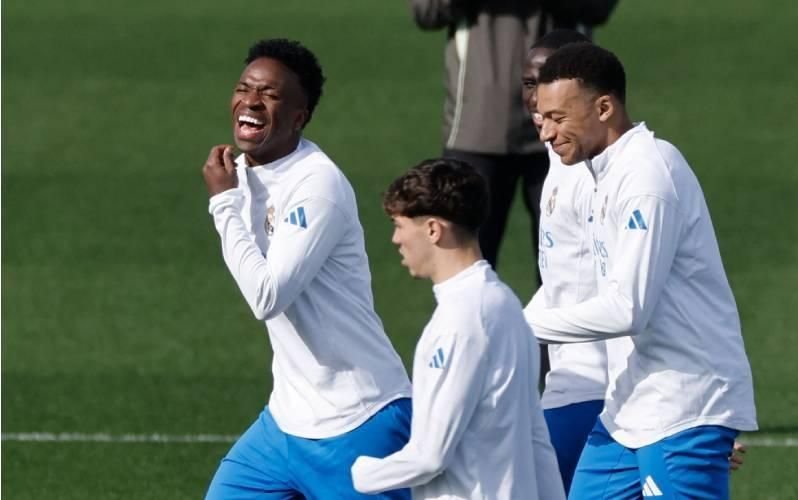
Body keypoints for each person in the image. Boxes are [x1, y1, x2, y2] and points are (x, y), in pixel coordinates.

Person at [527, 43, 758, 499]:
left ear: (604, 108)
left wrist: (514, 326)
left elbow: (626, 309)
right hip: (628, 408)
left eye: (558, 117)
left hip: (682, 404)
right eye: (543, 117)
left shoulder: (646, 176)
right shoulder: (601, 174)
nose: (546, 133)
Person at [201, 38, 413, 499]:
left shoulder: (317, 185)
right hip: (283, 424)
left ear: (299, 117)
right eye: (244, 88)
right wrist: (231, 195)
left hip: (357, 420)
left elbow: (267, 296)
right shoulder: (242, 173)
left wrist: (223, 204)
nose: (251, 101)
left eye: (270, 94)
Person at [350, 158, 564, 500]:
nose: (395, 239)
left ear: (433, 230)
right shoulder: (505, 304)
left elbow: (429, 457)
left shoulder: (459, 322)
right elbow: (536, 439)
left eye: (399, 225)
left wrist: (359, 474)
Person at [408, 0, 619, 276]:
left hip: (565, 124)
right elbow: (426, 10)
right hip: (477, 126)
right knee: (465, 272)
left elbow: (598, 7)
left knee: (573, 271)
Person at [520, 29, 609, 495]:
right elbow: (563, 281)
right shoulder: (560, 164)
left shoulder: (594, 178)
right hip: (569, 384)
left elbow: (633, 295)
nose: (536, 98)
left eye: (548, 84)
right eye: (529, 84)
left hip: (597, 390)